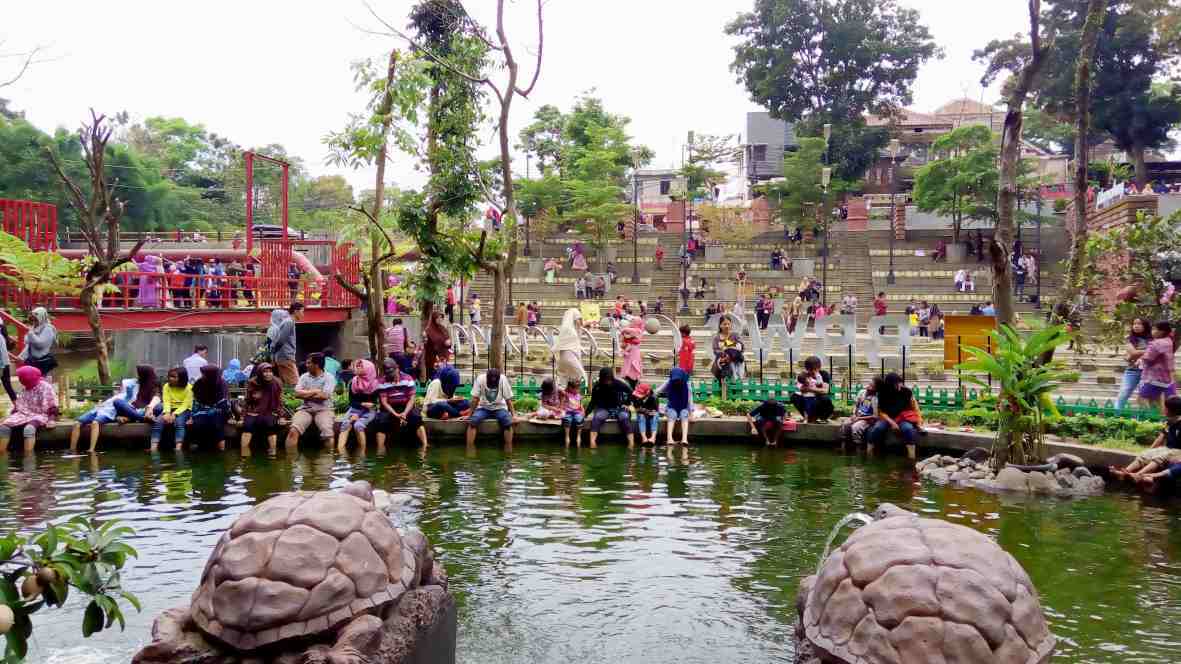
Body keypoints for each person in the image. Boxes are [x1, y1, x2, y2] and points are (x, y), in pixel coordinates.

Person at [1110, 396, 1181, 481]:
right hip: (1168, 449)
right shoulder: (1169, 422)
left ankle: (1138, 475)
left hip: (1178, 451)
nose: (1164, 410)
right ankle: (1125, 472)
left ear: (1172, 410)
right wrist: (1150, 451)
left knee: (1161, 456)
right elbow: (1160, 438)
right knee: (1145, 454)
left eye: (1166, 408)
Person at [0, 366, 58, 454]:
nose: (19, 380)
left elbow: (52, 405)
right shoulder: (26, 387)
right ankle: (2, 454)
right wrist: (10, 417)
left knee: (29, 429)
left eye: (20, 378)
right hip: (23, 414)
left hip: (39, 414)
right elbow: (20, 405)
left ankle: (28, 456)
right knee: (4, 427)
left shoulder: (46, 387)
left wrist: (51, 419)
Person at [284, 353, 337, 449]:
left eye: (309, 363)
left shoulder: (329, 377)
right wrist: (315, 391)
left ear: (316, 365)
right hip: (305, 409)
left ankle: (328, 460)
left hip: (324, 410)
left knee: (327, 434)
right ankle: (290, 461)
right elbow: (297, 394)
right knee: (293, 431)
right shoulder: (304, 377)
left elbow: (324, 396)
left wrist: (305, 394)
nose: (306, 365)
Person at [866, 372, 923, 459]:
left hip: (903, 418)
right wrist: (892, 423)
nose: (900, 385)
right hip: (887, 418)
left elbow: (915, 408)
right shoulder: (883, 393)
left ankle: (911, 457)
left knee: (909, 429)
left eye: (900, 382)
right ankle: (869, 453)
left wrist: (919, 422)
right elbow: (881, 412)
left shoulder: (907, 392)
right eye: (897, 383)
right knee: (877, 429)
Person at [374, 359, 427, 450]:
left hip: (406, 406)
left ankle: (425, 445)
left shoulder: (407, 378)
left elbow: (411, 399)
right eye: (388, 374)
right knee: (380, 421)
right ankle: (380, 448)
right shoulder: (382, 381)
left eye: (392, 372)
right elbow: (384, 402)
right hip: (389, 408)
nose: (391, 376)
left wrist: (405, 413)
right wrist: (396, 414)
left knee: (417, 418)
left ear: (397, 368)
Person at [239, 362, 283, 454]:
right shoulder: (253, 382)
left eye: (270, 371)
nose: (268, 374)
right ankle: (244, 453)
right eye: (265, 371)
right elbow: (247, 401)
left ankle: (272, 452)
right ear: (260, 372)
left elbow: (278, 401)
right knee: (248, 425)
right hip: (253, 410)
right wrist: (242, 417)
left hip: (269, 410)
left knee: (270, 424)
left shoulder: (276, 382)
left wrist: (280, 416)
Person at [465, 368, 516, 447]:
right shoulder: (480, 379)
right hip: (483, 407)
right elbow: (475, 399)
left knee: (508, 423)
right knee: (473, 421)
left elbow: (508, 399)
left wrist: (514, 416)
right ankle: (469, 448)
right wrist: (469, 415)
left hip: (500, 408)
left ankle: (508, 448)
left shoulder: (503, 379)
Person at [586, 367, 634, 448]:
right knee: (597, 417)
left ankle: (631, 443)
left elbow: (631, 392)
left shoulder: (618, 383)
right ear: (601, 378)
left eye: (609, 379)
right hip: (604, 408)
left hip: (618, 408)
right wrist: (585, 413)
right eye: (605, 379)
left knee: (624, 417)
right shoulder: (598, 386)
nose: (607, 381)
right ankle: (592, 442)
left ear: (611, 377)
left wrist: (627, 404)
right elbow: (593, 402)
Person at [338, 359, 379, 451]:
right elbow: (351, 401)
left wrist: (371, 405)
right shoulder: (354, 381)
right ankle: (341, 452)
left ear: (368, 369)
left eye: (360, 366)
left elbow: (375, 403)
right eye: (357, 366)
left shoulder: (375, 384)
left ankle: (362, 453)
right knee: (345, 424)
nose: (357, 368)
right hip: (355, 409)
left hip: (369, 411)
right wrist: (357, 411)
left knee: (358, 425)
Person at [189, 365, 231, 450]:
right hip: (202, 409)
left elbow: (225, 402)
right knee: (197, 423)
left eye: (204, 374)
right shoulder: (199, 383)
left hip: (219, 409)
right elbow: (195, 401)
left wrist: (214, 410)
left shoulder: (221, 383)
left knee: (217, 423)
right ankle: (196, 448)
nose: (202, 376)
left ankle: (221, 449)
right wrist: (192, 415)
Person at [1138, 321, 1176, 412]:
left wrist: (1140, 359)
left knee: (1141, 399)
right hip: (1165, 377)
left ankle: (1148, 420)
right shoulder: (1169, 341)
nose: (1152, 331)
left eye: (1154, 329)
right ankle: (1162, 420)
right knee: (1156, 401)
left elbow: (1148, 358)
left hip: (1154, 377)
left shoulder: (1156, 343)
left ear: (1161, 331)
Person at [151, 367, 192, 451]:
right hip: (170, 408)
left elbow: (186, 404)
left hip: (184, 409)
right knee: (158, 421)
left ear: (181, 377)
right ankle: (153, 447)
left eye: (174, 376)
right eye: (170, 376)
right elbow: (166, 401)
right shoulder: (166, 386)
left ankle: (178, 447)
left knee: (179, 422)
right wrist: (167, 413)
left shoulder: (189, 388)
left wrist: (174, 414)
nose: (170, 378)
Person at [1117, 318, 1151, 411]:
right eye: (1134, 323)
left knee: (1144, 397)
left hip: (1149, 371)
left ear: (1145, 326)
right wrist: (1150, 350)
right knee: (1124, 393)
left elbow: (1132, 355)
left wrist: (1134, 355)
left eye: (1139, 324)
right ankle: (1116, 416)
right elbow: (1133, 353)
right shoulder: (1129, 338)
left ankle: (1146, 420)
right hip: (1132, 370)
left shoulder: (1153, 338)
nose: (1136, 326)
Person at [840, 377, 882, 446]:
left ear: (876, 389)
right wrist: (853, 414)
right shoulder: (862, 392)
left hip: (867, 419)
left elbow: (875, 416)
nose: (868, 387)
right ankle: (843, 446)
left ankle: (858, 448)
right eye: (869, 384)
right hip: (857, 416)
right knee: (845, 424)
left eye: (871, 386)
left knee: (855, 428)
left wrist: (859, 418)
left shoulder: (875, 399)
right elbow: (856, 405)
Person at [656, 367, 692, 446]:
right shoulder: (669, 382)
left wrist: (691, 413)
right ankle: (669, 438)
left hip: (683, 406)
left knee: (684, 414)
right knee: (672, 415)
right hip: (672, 406)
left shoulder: (687, 384)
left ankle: (684, 439)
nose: (677, 381)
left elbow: (689, 399)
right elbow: (658, 391)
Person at [790, 356, 834, 422]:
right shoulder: (803, 375)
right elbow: (801, 388)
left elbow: (825, 390)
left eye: (815, 369)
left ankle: (822, 417)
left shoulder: (823, 374)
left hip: (818, 399)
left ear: (819, 367)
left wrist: (810, 389)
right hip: (808, 398)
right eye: (810, 370)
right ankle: (808, 416)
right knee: (794, 397)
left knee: (825, 398)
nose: (813, 372)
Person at [711, 317, 745, 398]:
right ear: (720, 325)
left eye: (728, 324)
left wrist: (729, 347)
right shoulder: (717, 338)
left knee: (735, 384)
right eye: (724, 324)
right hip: (722, 364)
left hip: (735, 364)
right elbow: (715, 350)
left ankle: (735, 399)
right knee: (722, 384)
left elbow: (742, 348)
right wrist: (723, 356)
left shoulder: (735, 336)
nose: (727, 326)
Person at [268, 303, 301, 386]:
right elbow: (281, 341)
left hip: (283, 357)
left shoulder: (287, 322)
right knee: (294, 384)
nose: (303, 314)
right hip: (286, 357)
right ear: (296, 311)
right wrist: (274, 354)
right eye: (302, 311)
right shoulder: (289, 322)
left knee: (284, 383)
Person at [19, 307, 57, 376]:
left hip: (41, 361)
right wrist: (22, 356)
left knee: (39, 381)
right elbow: (28, 343)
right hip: (31, 360)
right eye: (33, 319)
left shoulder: (48, 329)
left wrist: (31, 334)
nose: (33, 321)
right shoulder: (34, 327)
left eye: (35, 319)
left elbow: (40, 344)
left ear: (41, 317)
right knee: (29, 381)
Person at [555, 308, 586, 386]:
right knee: (582, 377)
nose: (580, 321)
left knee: (567, 380)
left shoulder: (566, 330)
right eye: (578, 319)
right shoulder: (572, 332)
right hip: (570, 357)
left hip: (563, 359)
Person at [422, 310, 453, 381]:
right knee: (433, 377)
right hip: (432, 357)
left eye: (441, 318)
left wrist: (448, 342)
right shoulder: (428, 330)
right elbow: (427, 343)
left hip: (443, 356)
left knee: (443, 376)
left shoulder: (443, 329)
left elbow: (448, 339)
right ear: (434, 318)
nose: (440, 319)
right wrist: (442, 342)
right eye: (438, 318)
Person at [620, 316, 645, 388]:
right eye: (631, 321)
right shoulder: (630, 332)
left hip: (634, 355)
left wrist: (623, 330)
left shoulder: (638, 331)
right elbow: (623, 342)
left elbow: (628, 331)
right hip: (628, 355)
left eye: (632, 321)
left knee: (634, 373)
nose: (631, 323)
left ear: (636, 323)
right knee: (627, 374)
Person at [561, 378, 585, 447]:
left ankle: (578, 436)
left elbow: (580, 405)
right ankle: (567, 436)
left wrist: (583, 411)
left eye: (578, 388)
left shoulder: (578, 395)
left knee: (579, 419)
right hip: (568, 412)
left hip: (577, 412)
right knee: (567, 420)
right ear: (570, 388)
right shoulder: (566, 394)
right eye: (576, 389)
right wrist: (561, 411)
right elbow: (562, 404)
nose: (578, 390)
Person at [0, 323, 17, 404]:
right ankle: (17, 406)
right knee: (8, 385)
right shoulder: (2, 337)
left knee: (7, 385)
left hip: (2, 364)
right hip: (5, 364)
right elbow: (6, 349)